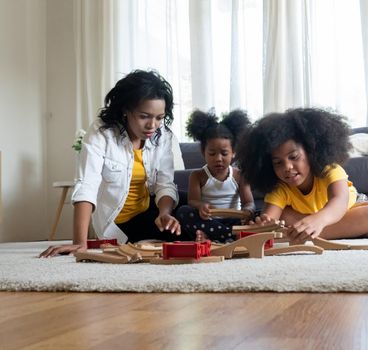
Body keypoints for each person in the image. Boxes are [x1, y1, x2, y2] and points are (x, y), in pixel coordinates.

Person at [40, 70, 187, 257]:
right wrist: (79, 242)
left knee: (192, 206)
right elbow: (87, 184)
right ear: (126, 109)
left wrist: (164, 213)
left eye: (159, 117)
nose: (152, 125)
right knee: (186, 226)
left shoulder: (162, 135)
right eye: (144, 116)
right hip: (121, 223)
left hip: (150, 210)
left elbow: (165, 184)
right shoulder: (102, 133)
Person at [235, 108, 368, 244]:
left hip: (346, 210)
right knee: (283, 216)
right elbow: (271, 218)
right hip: (303, 220)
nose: (287, 167)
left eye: (294, 157)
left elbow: (339, 201)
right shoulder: (280, 187)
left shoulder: (329, 170)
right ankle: (350, 231)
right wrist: (264, 225)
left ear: (311, 151)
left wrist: (318, 221)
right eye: (278, 162)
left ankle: (313, 233)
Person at [175, 109, 255, 243]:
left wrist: (247, 211)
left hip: (234, 220)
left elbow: (249, 203)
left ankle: (217, 237)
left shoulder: (239, 175)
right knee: (183, 212)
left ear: (233, 152)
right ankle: (230, 237)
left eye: (224, 153)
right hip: (209, 221)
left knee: (259, 215)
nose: (218, 158)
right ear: (203, 151)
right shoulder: (197, 176)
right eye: (212, 154)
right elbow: (192, 201)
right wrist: (201, 206)